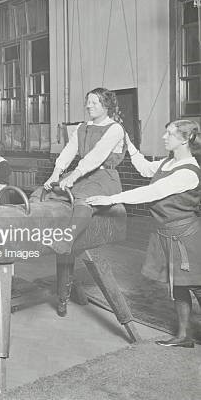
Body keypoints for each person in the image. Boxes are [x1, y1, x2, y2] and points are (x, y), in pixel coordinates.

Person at [88, 120, 201, 348]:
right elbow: (143, 168)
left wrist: (110, 199)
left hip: (186, 236)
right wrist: (128, 141)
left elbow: (152, 191)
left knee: (198, 286)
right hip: (167, 233)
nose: (163, 137)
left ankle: (185, 334)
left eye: (169, 133)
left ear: (185, 139)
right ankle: (183, 336)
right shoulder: (168, 163)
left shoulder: (189, 172)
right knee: (178, 286)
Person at [40, 87, 126, 253]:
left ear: (106, 105)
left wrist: (73, 177)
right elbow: (69, 151)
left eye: (94, 102)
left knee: (83, 201)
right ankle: (40, 232)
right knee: (43, 192)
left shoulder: (115, 129)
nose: (89, 106)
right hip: (83, 174)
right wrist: (55, 174)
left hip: (104, 176)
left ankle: (67, 240)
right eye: (88, 102)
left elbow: (96, 156)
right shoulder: (82, 127)